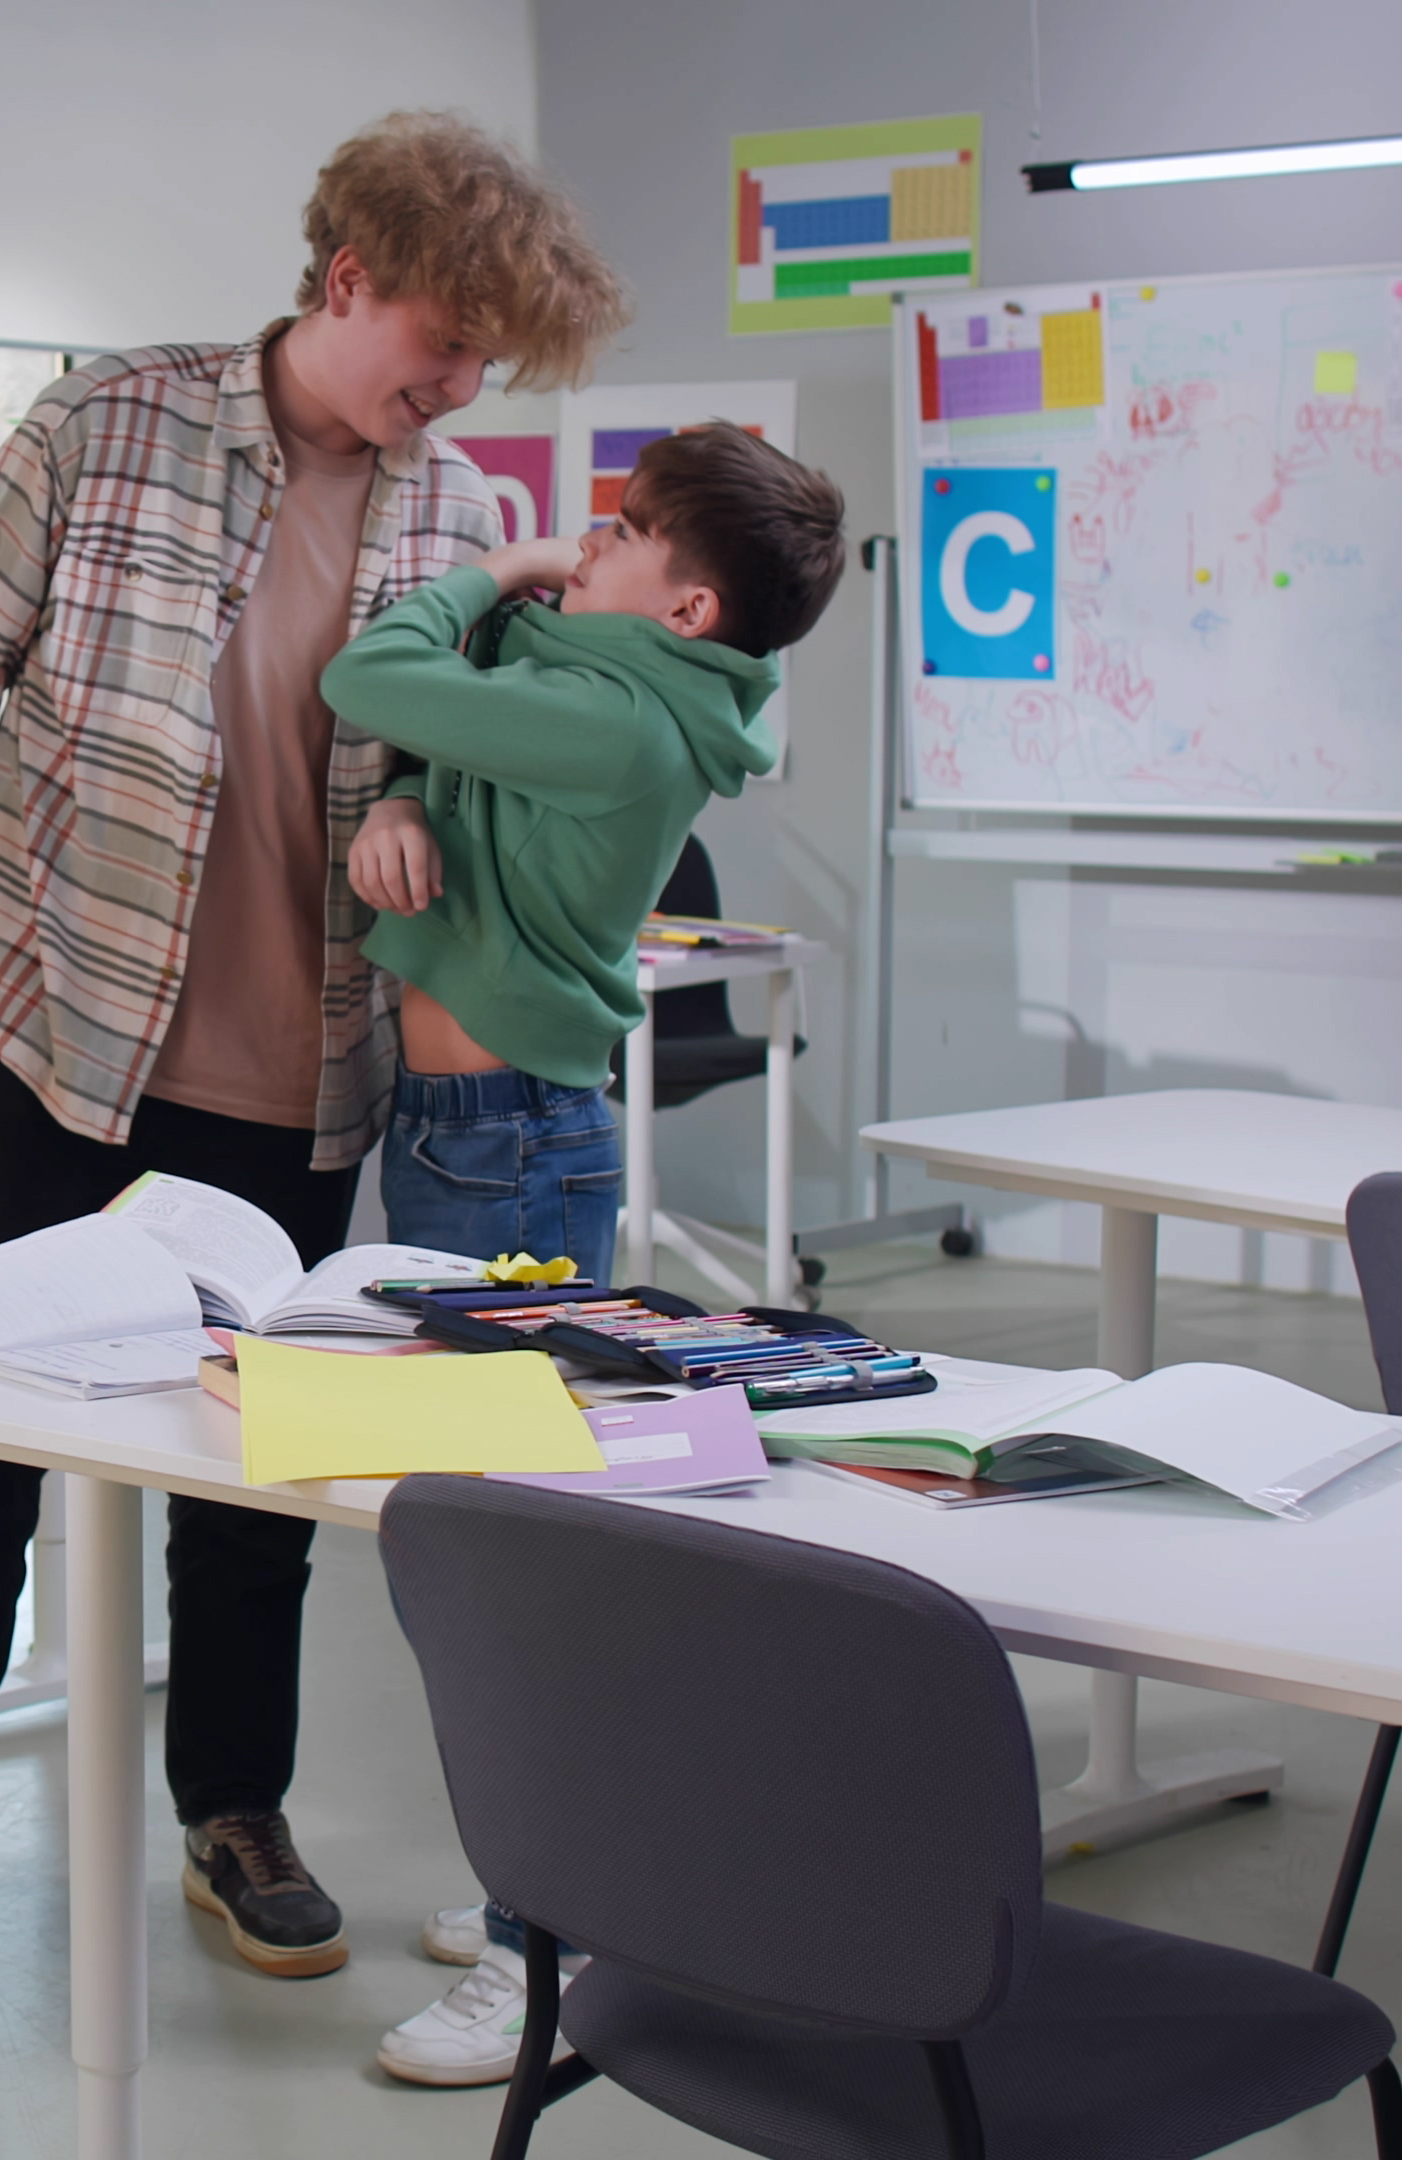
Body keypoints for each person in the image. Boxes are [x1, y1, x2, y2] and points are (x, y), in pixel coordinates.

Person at [0, 112, 628, 1978]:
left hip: (303, 1068)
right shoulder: (110, 426)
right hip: (52, 1027)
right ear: (347, 281)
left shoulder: (466, 515)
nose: (459, 387)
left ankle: (232, 1808)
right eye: (445, 343)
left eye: (487, 363)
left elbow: (451, 755)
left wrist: (441, 801)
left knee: (261, 1469)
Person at [334, 420, 848, 2083]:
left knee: (523, 1570)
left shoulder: (618, 723)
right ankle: (532, 1899)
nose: (582, 547)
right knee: (490, 1542)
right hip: (472, 1137)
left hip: (504, 1159)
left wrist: (490, 567)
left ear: (683, 609)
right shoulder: (615, 699)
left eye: (619, 536)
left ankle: (541, 1946)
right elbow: (447, 720)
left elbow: (375, 668)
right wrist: (410, 804)